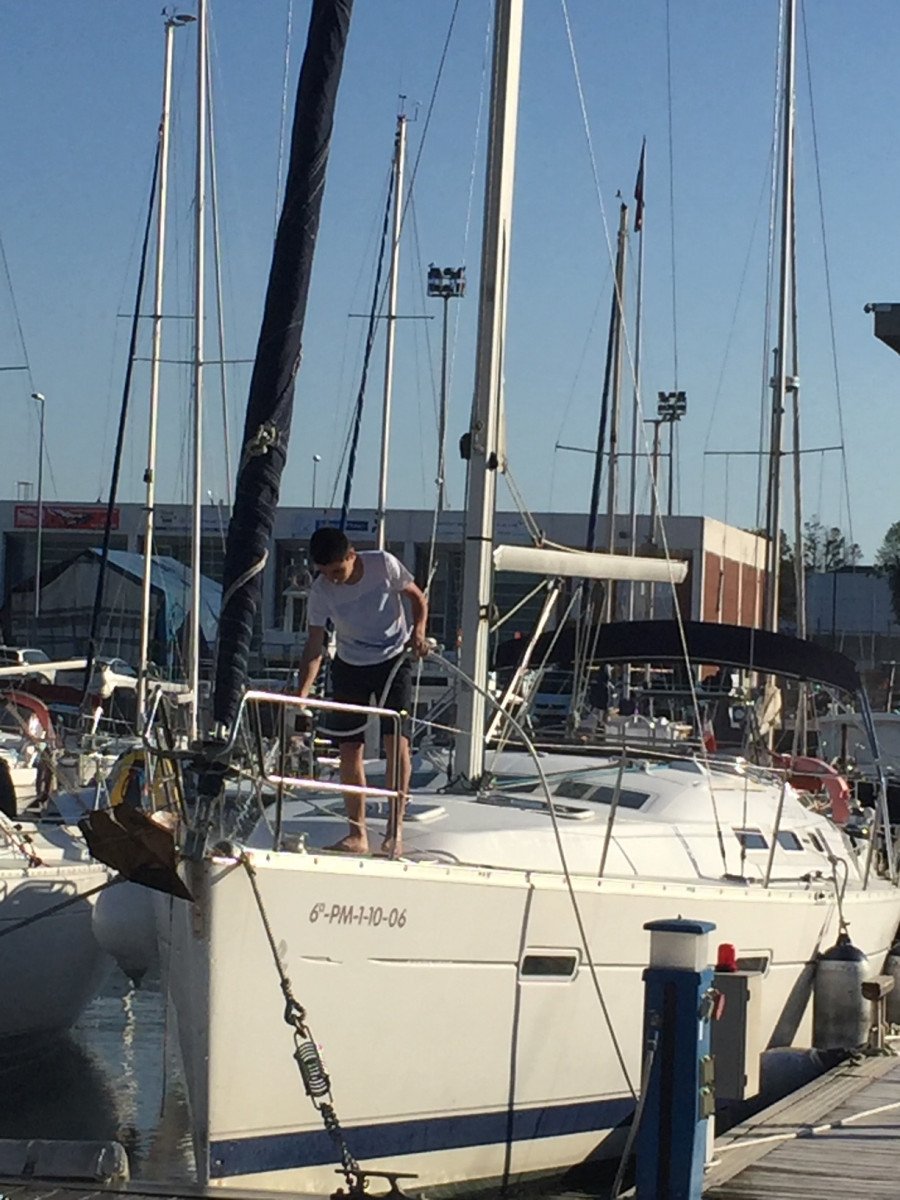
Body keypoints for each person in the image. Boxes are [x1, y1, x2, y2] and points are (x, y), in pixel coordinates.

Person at [296, 527, 428, 856]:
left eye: (337, 571)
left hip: (393, 659)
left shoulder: (384, 565)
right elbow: (315, 645)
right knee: (349, 747)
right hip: (350, 663)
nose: (333, 579)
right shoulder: (321, 590)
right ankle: (357, 834)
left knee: (394, 743)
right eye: (325, 573)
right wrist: (301, 695)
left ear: (351, 556)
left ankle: (394, 831)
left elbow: (417, 597)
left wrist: (419, 631)